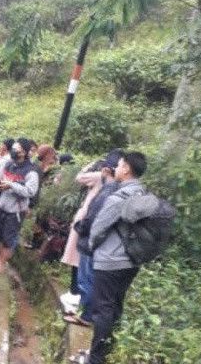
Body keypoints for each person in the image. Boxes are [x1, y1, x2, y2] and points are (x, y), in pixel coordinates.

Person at [86, 151, 148, 364]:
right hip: (132, 261)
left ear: (127, 169)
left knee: (102, 309)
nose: (117, 168)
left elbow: (98, 228)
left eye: (120, 165)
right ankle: (107, 351)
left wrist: (93, 248)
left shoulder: (119, 197)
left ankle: (95, 358)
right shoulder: (143, 194)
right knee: (115, 306)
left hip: (111, 261)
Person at [64, 149, 123, 328]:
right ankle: (85, 310)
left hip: (91, 239)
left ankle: (86, 315)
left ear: (106, 170)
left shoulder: (107, 189)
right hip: (100, 242)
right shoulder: (119, 189)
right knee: (87, 276)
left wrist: (80, 228)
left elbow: (94, 214)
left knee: (86, 277)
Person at [0, 138, 39, 274]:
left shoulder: (31, 171)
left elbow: (30, 191)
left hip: (16, 210)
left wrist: (11, 185)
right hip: (2, 205)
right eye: (14, 148)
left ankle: (0, 265)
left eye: (17, 149)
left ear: (25, 152)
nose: (14, 151)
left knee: (8, 239)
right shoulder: (10, 164)